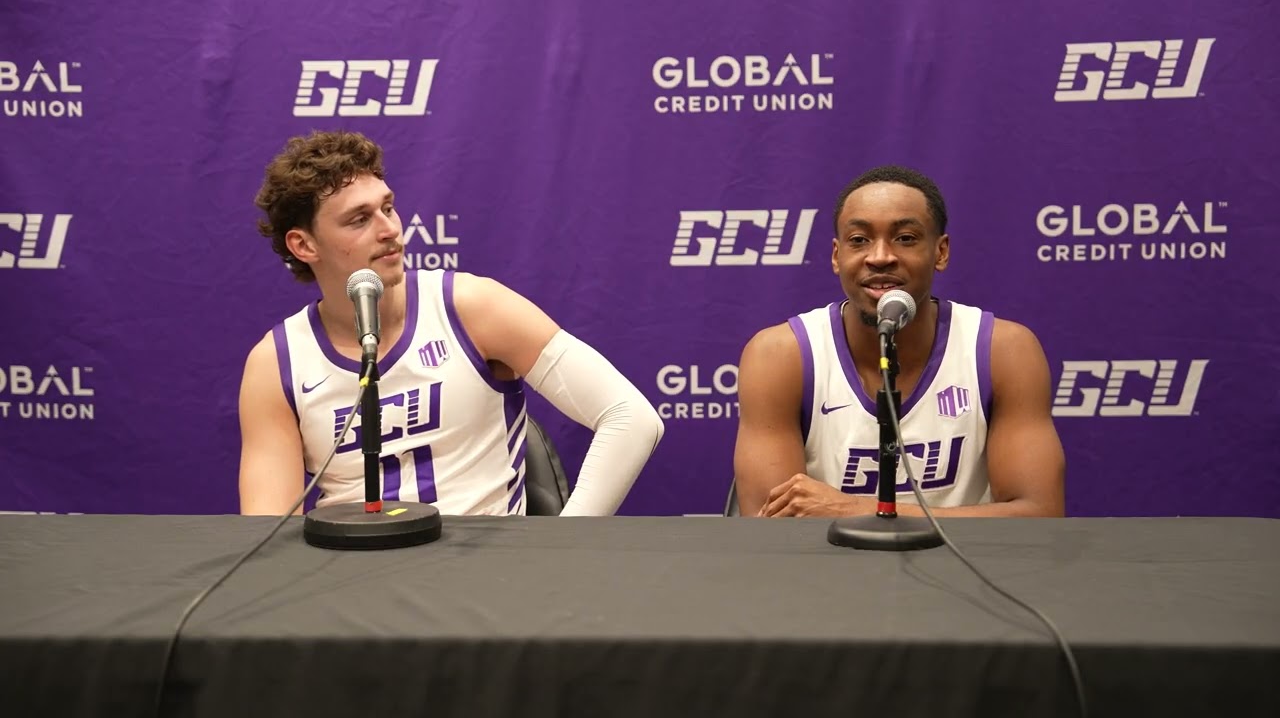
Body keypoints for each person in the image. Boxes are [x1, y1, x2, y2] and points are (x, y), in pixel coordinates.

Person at [238, 130, 663, 516]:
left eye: (388, 207)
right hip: (354, 584)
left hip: (489, 584)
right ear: (304, 244)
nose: (389, 229)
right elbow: (269, 528)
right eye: (359, 219)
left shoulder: (470, 307)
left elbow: (631, 417)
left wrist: (562, 548)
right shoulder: (277, 363)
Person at [733, 165, 1064, 518]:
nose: (879, 257)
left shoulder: (1003, 350)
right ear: (836, 255)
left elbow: (1039, 515)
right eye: (859, 240)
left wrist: (854, 510)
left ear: (940, 252)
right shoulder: (779, 356)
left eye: (905, 238)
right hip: (826, 571)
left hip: (962, 569)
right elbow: (769, 530)